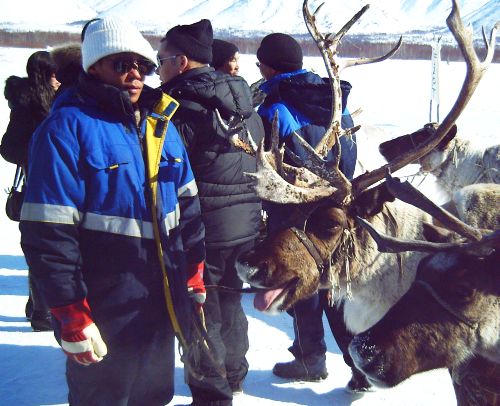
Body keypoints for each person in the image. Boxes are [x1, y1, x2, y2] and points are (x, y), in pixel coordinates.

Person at [19, 17, 205, 406]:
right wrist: (71, 312)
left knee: (155, 396)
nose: (135, 74)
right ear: (94, 67)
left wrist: (193, 270)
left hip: (159, 304)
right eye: (121, 64)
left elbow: (187, 207)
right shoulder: (65, 129)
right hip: (103, 307)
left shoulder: (161, 125)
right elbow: (48, 234)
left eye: (143, 65)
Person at [157, 19, 265, 406]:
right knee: (230, 303)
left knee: (203, 310)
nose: (157, 69)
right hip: (245, 224)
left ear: (181, 61)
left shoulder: (180, 110)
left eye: (160, 60)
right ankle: (234, 375)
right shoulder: (247, 107)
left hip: (202, 227)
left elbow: (166, 170)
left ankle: (212, 389)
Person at [255, 32, 368, 391]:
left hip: (293, 213)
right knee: (333, 286)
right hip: (335, 212)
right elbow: (348, 152)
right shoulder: (336, 100)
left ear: (269, 67)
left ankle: (309, 358)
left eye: (260, 64)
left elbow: (268, 164)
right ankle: (362, 364)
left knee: (298, 283)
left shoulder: (274, 107)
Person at [0, 50, 60, 331]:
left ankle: (36, 304)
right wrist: (39, 154)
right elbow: (9, 147)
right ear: (46, 74)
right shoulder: (27, 102)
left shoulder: (61, 98)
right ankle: (41, 312)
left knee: (48, 245)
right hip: (37, 183)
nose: (58, 78)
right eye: (54, 73)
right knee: (43, 245)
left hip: (54, 181)